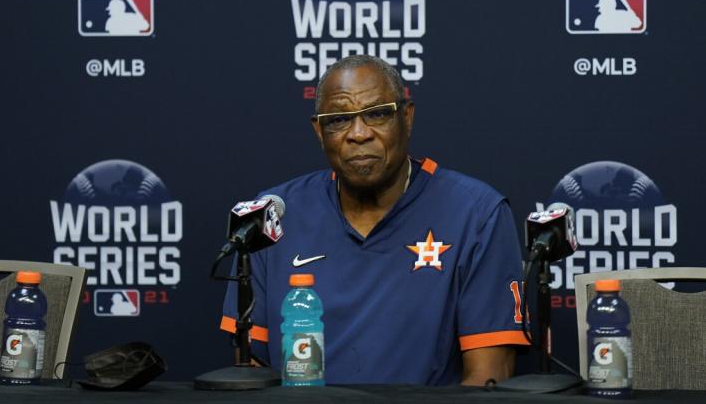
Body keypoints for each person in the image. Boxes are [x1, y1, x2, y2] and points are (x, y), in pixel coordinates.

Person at [220, 55, 528, 385]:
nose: (359, 133)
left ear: (406, 117)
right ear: (319, 131)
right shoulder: (270, 218)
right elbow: (250, 374)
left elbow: (488, 377)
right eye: (338, 120)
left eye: (377, 114)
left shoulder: (476, 213)